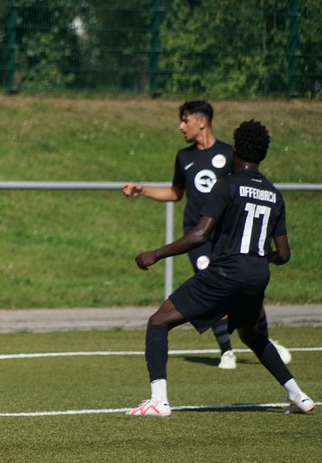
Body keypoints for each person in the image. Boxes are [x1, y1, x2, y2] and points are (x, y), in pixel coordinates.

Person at [127, 120, 313, 417]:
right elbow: (284, 254)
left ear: (235, 149)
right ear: (263, 154)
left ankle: (158, 401)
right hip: (256, 276)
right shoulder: (274, 194)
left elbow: (200, 235)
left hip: (226, 273)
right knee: (252, 336)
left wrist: (156, 254)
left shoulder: (227, 184)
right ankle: (298, 396)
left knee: (158, 321)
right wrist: (259, 258)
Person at [122, 99, 289, 370]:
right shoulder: (184, 157)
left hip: (226, 236)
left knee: (244, 290)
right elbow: (175, 193)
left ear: (202, 122)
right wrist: (143, 190)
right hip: (197, 235)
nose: (181, 126)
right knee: (210, 280)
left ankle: (264, 340)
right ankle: (226, 350)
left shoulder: (230, 153)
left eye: (185, 120)